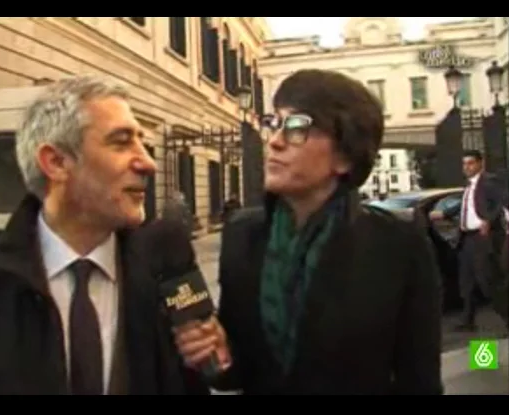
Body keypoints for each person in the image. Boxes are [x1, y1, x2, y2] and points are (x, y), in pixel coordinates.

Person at [0, 76, 208, 395]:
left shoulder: (162, 268)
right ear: (56, 162)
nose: (148, 163)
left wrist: (216, 357)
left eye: (141, 143)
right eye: (121, 143)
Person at [173, 69, 443, 395]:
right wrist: (218, 355)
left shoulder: (397, 244)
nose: (274, 141)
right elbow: (240, 373)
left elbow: (421, 381)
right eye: (275, 123)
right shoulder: (242, 235)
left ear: (344, 157)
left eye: (297, 128)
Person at [429, 150, 507, 329]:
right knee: (466, 282)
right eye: (464, 164)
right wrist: (444, 213)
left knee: (487, 281)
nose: (467, 167)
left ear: (480, 164)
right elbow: (464, 206)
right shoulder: (469, 186)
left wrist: (489, 220)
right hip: (466, 238)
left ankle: (506, 316)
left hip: (482, 238)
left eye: (471, 163)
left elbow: (502, 202)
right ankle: (467, 321)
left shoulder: (489, 182)